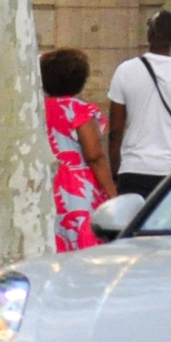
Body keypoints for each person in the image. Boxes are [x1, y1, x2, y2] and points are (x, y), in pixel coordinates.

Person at [107, 10, 171, 198]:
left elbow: (115, 132)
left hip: (134, 169)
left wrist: (115, 173)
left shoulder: (125, 71)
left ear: (150, 34)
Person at [41, 48, 115, 251]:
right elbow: (94, 155)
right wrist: (112, 193)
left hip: (45, 182)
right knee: (82, 242)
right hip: (77, 187)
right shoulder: (80, 110)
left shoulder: (36, 109)